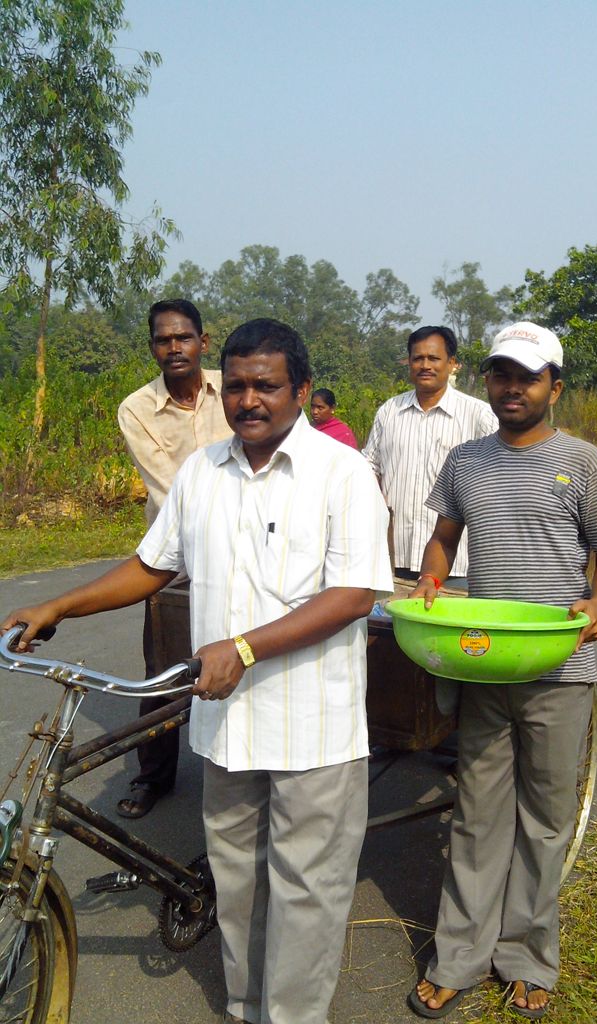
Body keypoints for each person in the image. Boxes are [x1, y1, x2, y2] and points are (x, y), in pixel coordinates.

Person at [2, 318, 393, 1024]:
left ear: (300, 390)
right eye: (237, 385)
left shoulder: (343, 473)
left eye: (266, 386)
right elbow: (155, 564)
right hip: (227, 726)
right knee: (237, 885)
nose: (249, 400)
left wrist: (242, 648)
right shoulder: (202, 473)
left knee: (307, 892)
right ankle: (248, 1008)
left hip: (313, 727)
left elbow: (355, 594)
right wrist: (60, 603)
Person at [408, 322, 597, 1019]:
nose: (511, 387)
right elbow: (443, 538)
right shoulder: (468, 461)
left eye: (527, 377)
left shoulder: (584, 463)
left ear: (553, 388)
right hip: (486, 667)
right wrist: (432, 579)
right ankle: (459, 957)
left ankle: (529, 956)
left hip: (560, 671)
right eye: (501, 374)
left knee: (545, 819)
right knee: (476, 816)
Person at [115, 298, 231, 818]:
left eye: (183, 338)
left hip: (246, 554)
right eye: (163, 340)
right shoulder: (137, 408)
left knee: (241, 653)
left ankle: (239, 771)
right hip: (174, 560)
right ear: (153, 348)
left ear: (203, 343)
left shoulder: (233, 389)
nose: (174, 347)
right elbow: (169, 491)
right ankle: (154, 776)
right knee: (161, 671)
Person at [363, 325, 497, 584]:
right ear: (409, 363)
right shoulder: (390, 411)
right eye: (418, 358)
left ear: (452, 364)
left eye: (434, 358)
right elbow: (370, 466)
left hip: (454, 565)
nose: (425, 365)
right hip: (394, 559)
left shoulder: (478, 415)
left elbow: (501, 476)